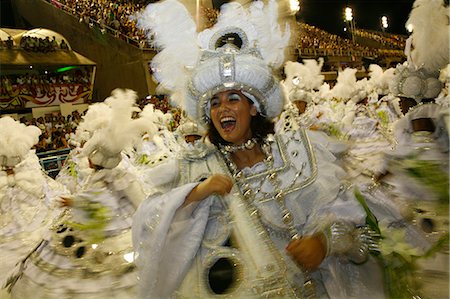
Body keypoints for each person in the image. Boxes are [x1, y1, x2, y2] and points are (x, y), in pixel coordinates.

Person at [132, 1, 383, 298]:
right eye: (214, 102)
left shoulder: (298, 153)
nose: (222, 108)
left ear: (254, 107)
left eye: (233, 99)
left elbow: (358, 228)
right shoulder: (196, 167)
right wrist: (194, 194)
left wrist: (324, 242)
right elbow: (147, 226)